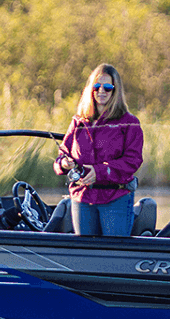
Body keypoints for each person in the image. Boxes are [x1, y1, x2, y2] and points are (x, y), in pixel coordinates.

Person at [53, 64, 144, 237]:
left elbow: (132, 161)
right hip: (82, 198)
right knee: (85, 253)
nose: (101, 91)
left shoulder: (130, 122)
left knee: (113, 252)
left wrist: (99, 171)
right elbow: (61, 156)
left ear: (115, 91)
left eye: (107, 87)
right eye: (96, 86)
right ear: (90, 89)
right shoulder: (78, 122)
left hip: (115, 198)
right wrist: (64, 164)